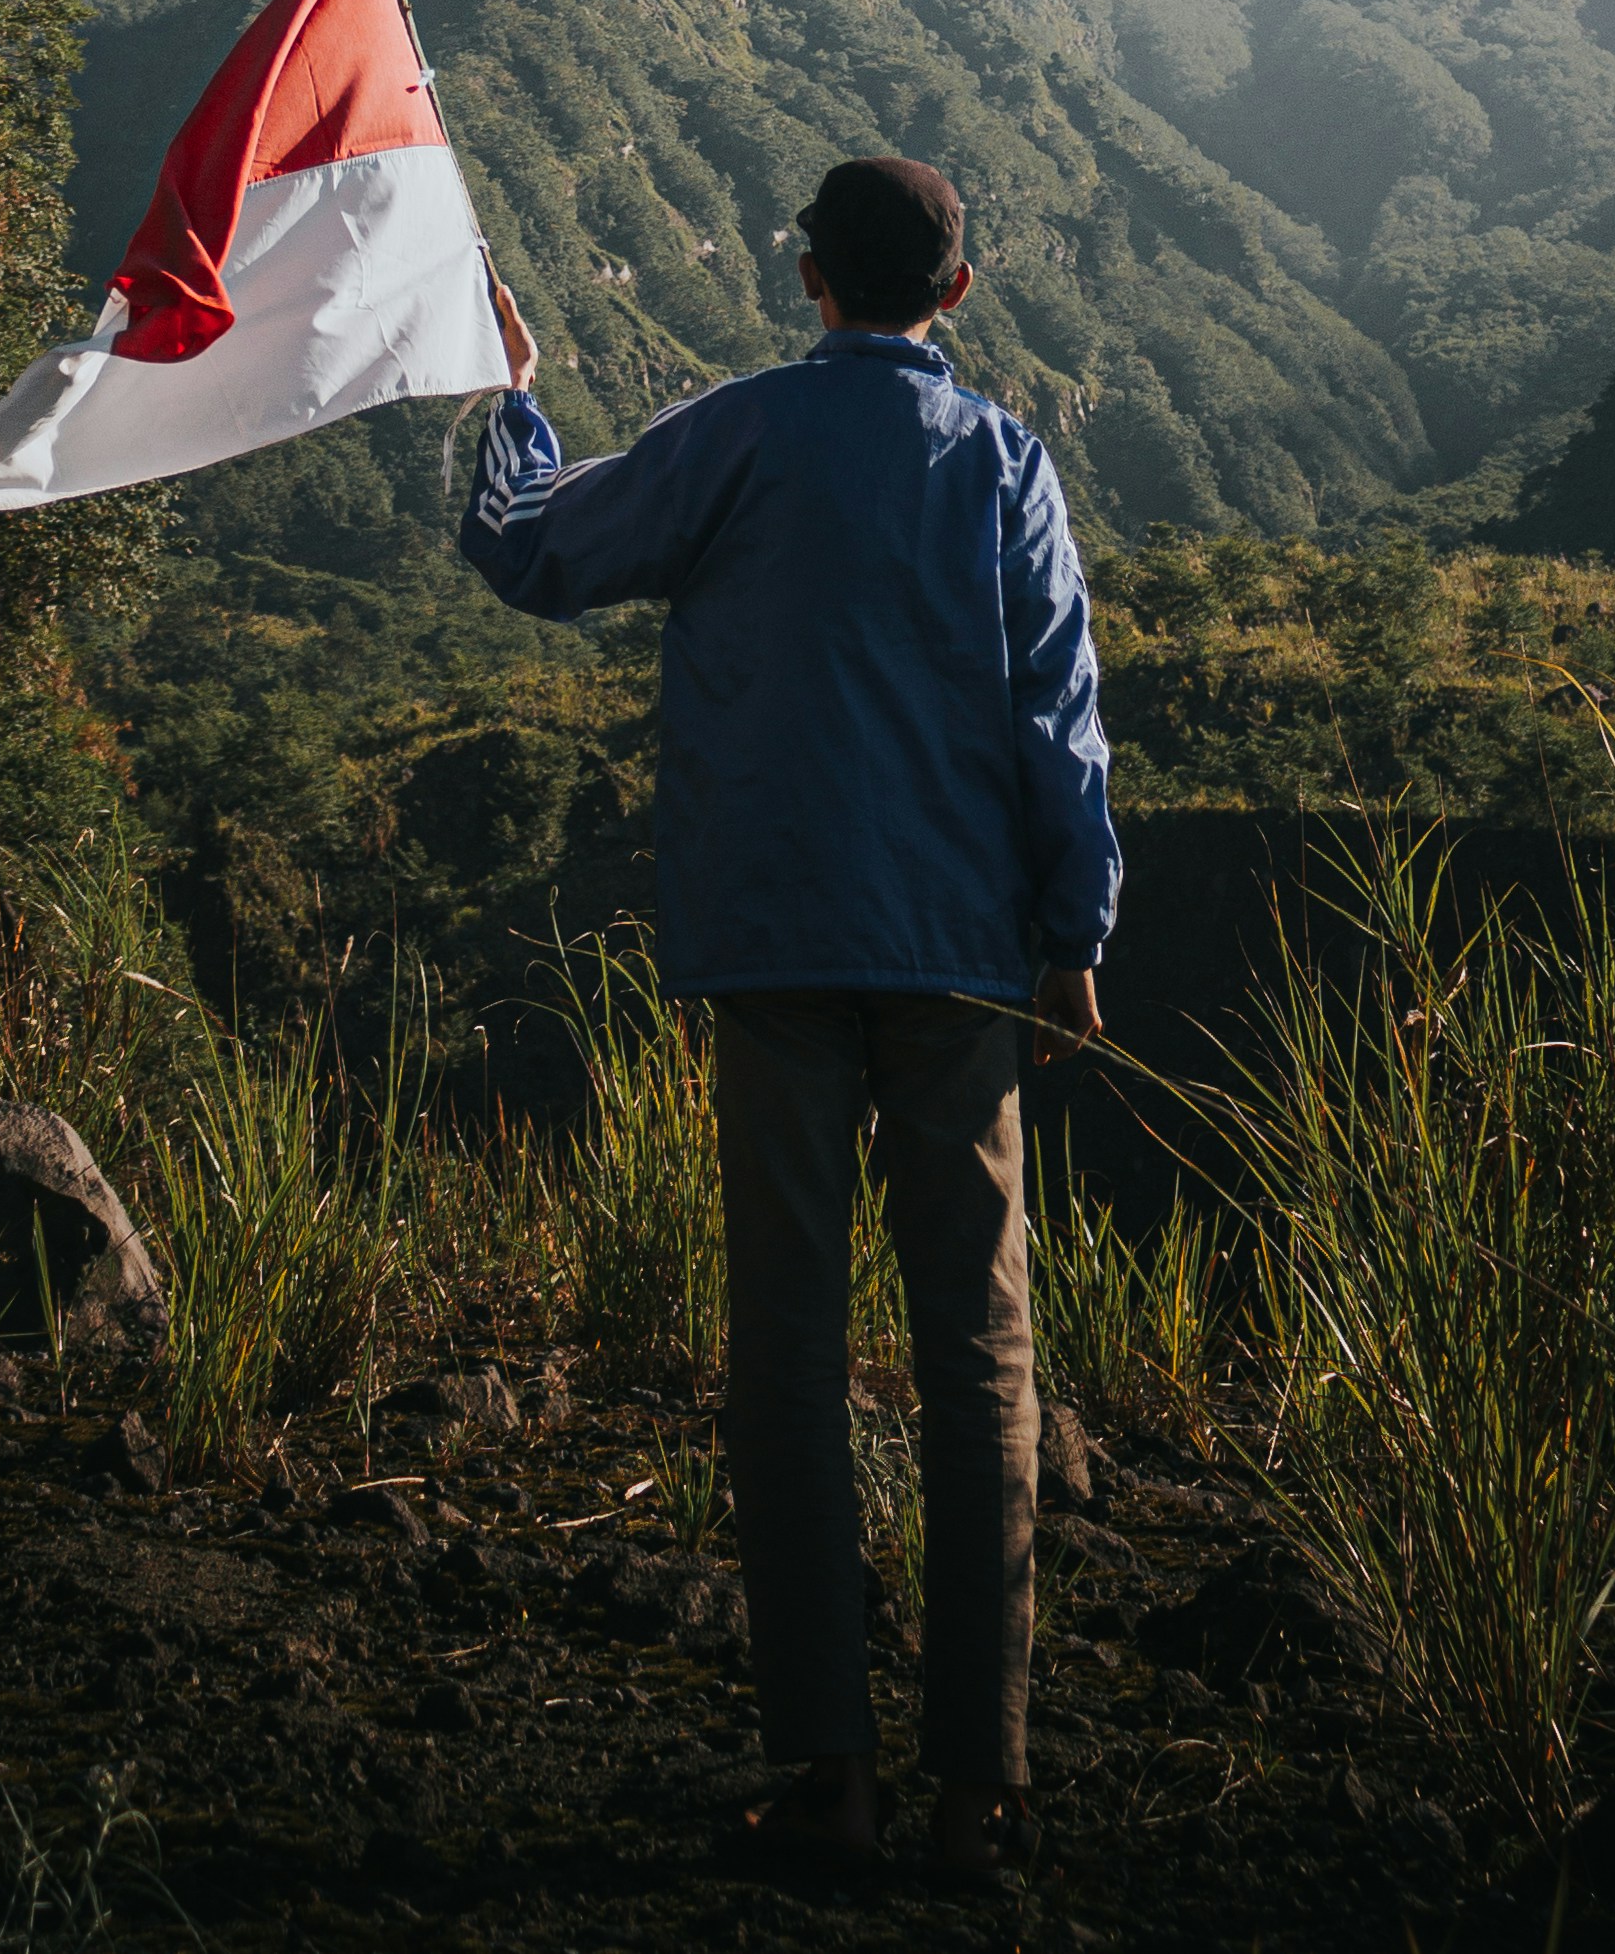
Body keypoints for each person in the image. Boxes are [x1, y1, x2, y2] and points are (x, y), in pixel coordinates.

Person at [459, 153, 1120, 1877]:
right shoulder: (1002, 463)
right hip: (961, 954)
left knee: (788, 1355)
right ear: (954, 295)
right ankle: (985, 1785)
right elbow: (1059, 705)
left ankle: (827, 1773)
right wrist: (1076, 924)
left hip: (772, 950)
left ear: (807, 275)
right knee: (981, 1363)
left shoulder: (735, 432)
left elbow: (539, 554)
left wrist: (516, 405)